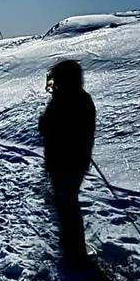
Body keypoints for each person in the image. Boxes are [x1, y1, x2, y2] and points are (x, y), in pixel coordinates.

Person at [38, 59, 96, 266]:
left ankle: (75, 250)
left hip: (63, 161)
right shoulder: (83, 98)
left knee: (67, 204)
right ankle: (72, 245)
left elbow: (48, 127)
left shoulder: (63, 100)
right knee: (68, 202)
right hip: (77, 160)